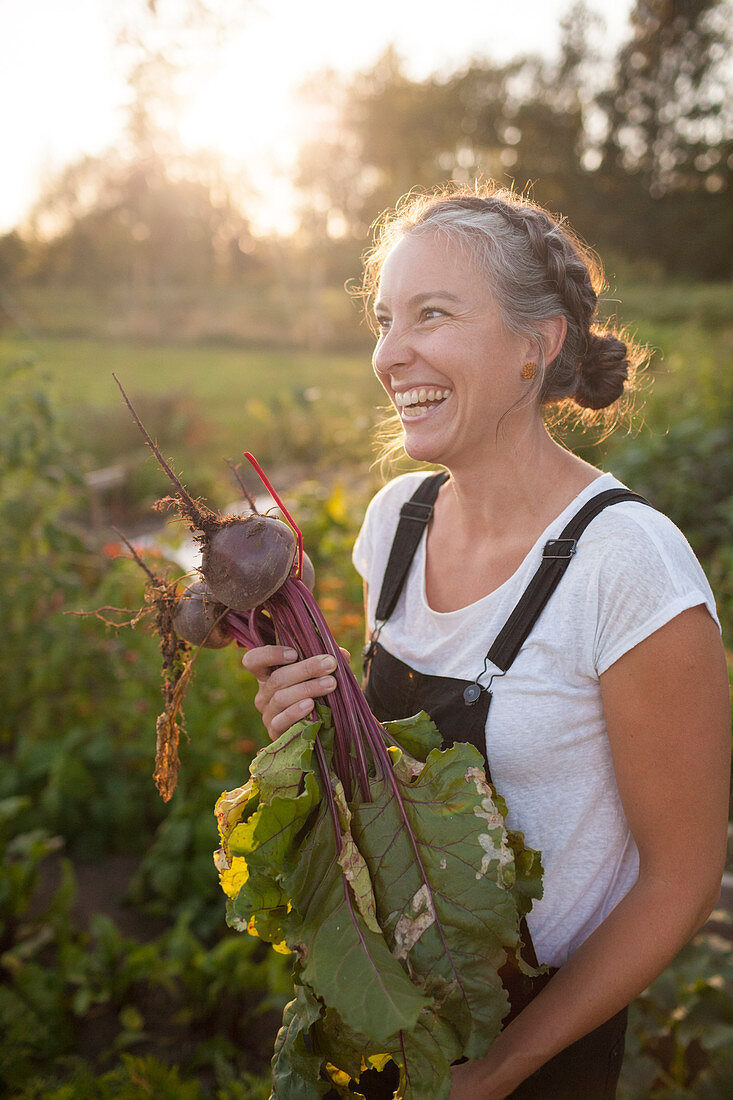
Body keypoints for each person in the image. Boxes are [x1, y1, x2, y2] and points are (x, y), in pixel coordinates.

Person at [242, 185, 730, 1099]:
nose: (392, 354)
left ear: (534, 346)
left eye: (433, 314)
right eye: (385, 320)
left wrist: (501, 1066)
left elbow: (682, 875)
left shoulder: (627, 567)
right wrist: (301, 720)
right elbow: (392, 791)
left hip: (539, 1043)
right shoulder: (396, 521)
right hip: (386, 1003)